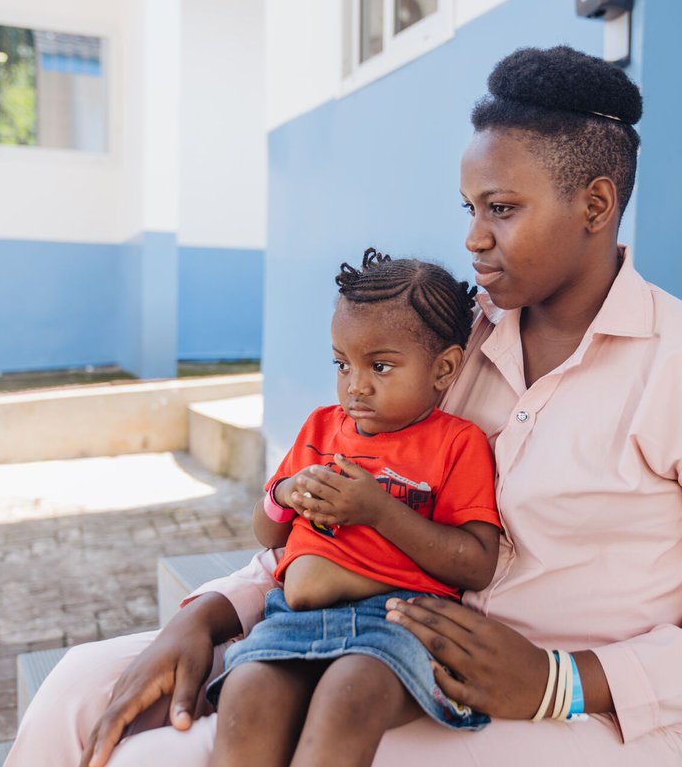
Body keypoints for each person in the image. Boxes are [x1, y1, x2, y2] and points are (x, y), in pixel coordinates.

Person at [6, 45, 682, 767]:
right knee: (81, 687)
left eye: (502, 208)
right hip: (377, 644)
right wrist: (213, 614)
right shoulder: (448, 350)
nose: (472, 238)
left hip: (587, 719)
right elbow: (346, 502)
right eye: (470, 208)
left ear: (595, 206)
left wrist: (560, 679)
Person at [208, 249, 500, 766]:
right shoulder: (321, 429)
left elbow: (476, 562)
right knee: (246, 694)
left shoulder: (457, 443)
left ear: (444, 368)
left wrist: (379, 511)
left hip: (393, 622)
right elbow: (267, 533)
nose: (355, 385)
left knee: (348, 698)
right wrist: (285, 494)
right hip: (291, 617)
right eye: (342, 363)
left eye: (380, 366)